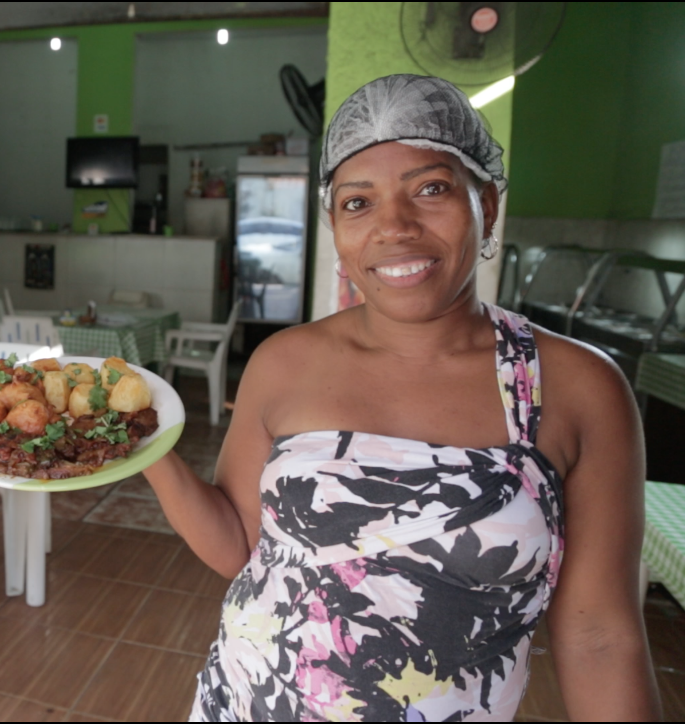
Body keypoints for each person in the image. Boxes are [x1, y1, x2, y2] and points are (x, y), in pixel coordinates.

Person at [144, 74, 661, 721]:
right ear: (334, 224)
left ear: (488, 206)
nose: (395, 226)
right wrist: (144, 444)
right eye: (358, 203)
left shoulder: (577, 387)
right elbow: (240, 547)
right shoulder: (284, 363)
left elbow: (599, 637)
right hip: (246, 703)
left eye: (431, 189)